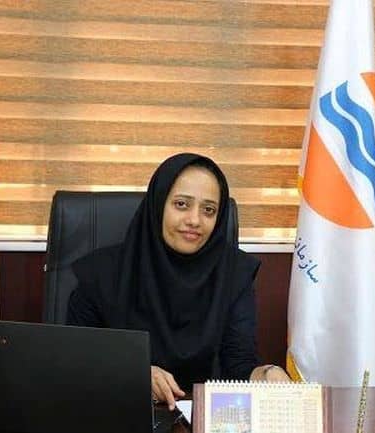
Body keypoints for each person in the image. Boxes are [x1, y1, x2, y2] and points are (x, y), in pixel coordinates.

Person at [67, 153, 290, 410]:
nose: (195, 220)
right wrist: (133, 373)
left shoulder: (234, 274)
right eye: (182, 204)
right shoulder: (100, 274)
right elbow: (77, 362)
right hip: (118, 413)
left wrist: (267, 374)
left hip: (203, 418)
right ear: (158, 204)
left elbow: (238, 365)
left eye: (208, 210)